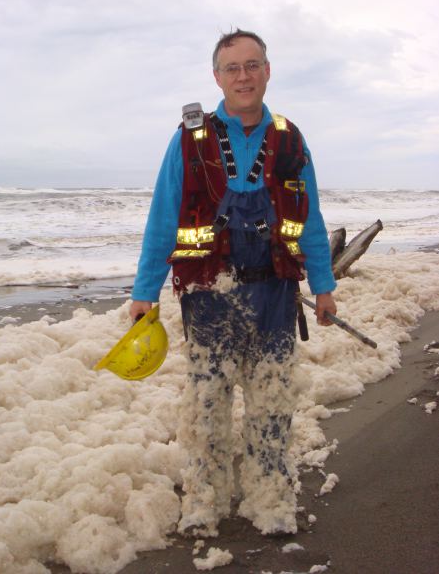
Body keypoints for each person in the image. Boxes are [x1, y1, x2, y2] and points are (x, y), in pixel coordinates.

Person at [130, 29, 337, 537]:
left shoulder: (291, 138)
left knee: (272, 401)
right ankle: (205, 499)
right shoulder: (188, 139)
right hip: (208, 294)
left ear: (267, 71)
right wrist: (143, 291)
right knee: (206, 403)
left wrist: (325, 284)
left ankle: (269, 500)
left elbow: (309, 219)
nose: (243, 76)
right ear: (216, 76)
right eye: (232, 68)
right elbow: (163, 216)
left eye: (252, 65)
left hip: (276, 293)